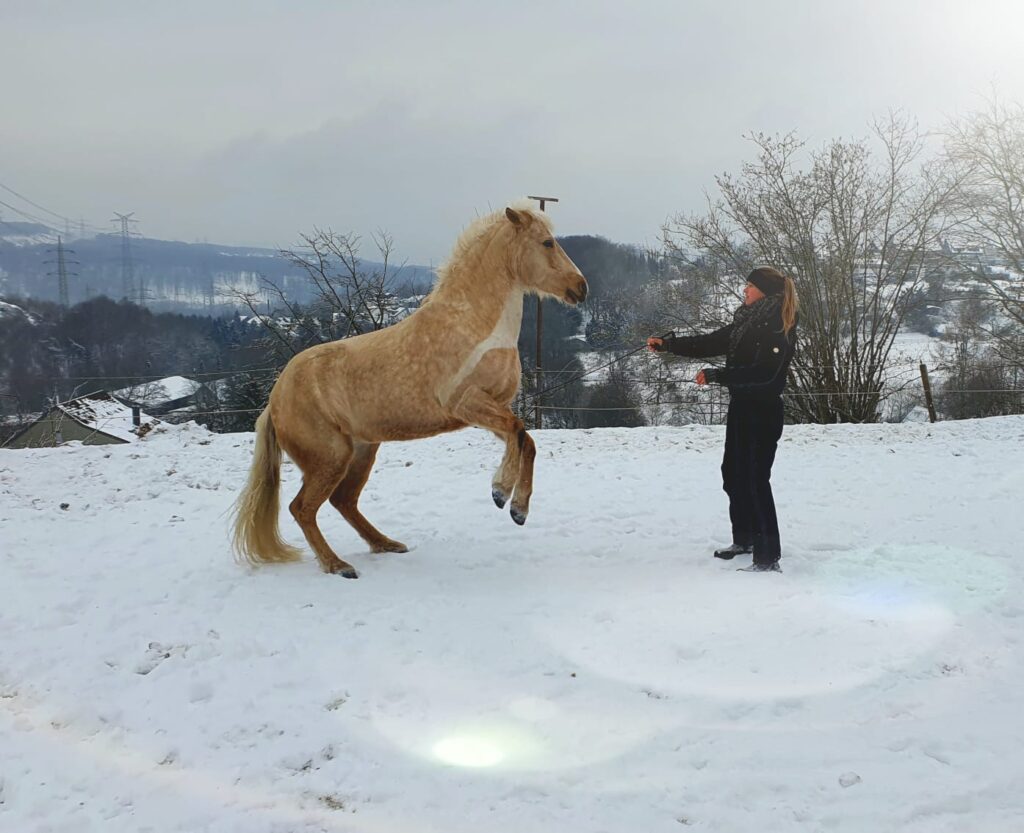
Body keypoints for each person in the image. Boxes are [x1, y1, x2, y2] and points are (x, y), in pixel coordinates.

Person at [647, 267, 799, 572]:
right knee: (734, 475)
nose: (744, 290)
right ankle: (745, 539)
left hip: (763, 411)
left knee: (756, 480)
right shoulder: (747, 321)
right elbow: (711, 342)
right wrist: (669, 345)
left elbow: (766, 373)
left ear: (763, 291)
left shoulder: (777, 324)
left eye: (749, 286)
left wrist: (720, 375)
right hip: (742, 407)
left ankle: (767, 557)